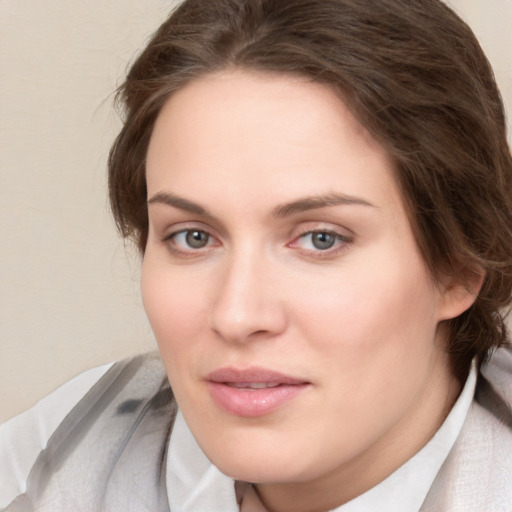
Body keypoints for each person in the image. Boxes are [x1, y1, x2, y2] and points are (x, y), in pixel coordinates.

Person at [1, 0, 512, 510]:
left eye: (320, 239)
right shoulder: (60, 455)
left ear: (462, 265)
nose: (236, 315)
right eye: (193, 237)